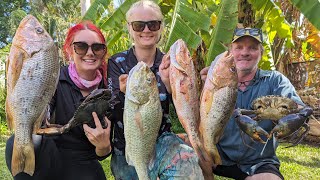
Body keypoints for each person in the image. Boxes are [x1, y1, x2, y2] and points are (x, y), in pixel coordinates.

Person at [107, 0, 204, 179]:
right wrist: (121, 94)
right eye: (138, 25)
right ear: (130, 28)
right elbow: (110, 109)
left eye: (153, 24)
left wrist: (169, 86)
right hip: (129, 146)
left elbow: (183, 111)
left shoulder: (170, 62)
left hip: (163, 142)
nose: (146, 30)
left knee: (190, 170)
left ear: (160, 28)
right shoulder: (117, 62)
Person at [5, 21, 112, 180]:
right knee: (15, 143)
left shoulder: (108, 87)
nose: (90, 53)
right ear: (69, 51)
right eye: (81, 46)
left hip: (84, 160)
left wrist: (104, 147)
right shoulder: (52, 77)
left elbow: (103, 153)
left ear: (103, 52)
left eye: (97, 47)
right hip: (50, 153)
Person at [200, 27, 305, 180]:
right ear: (231, 52)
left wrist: (292, 116)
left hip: (259, 162)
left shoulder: (275, 80)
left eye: (252, 48)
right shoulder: (216, 81)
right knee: (183, 152)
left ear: (261, 53)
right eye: (239, 47)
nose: (245, 52)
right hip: (218, 155)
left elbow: (298, 109)